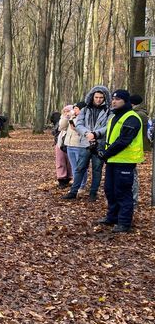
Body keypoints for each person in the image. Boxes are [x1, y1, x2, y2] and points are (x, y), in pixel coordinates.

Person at [95, 90, 144, 233]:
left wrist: (106, 153)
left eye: (117, 99)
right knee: (110, 190)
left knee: (122, 191)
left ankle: (124, 222)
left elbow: (123, 140)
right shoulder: (115, 117)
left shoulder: (132, 118)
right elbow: (110, 138)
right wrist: (100, 149)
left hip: (125, 161)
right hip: (112, 160)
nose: (114, 101)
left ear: (126, 101)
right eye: (113, 99)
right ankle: (112, 217)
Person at [62, 85, 111, 202]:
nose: (98, 99)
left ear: (104, 98)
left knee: (97, 169)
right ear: (92, 97)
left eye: (101, 97)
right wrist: (87, 133)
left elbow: (109, 126)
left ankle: (93, 193)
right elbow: (78, 124)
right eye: (96, 97)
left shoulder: (109, 111)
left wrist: (96, 134)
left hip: (99, 143)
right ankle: (73, 192)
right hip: (85, 143)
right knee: (79, 168)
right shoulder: (85, 110)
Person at [60, 101, 88, 191]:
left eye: (76, 108)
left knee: (81, 167)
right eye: (74, 108)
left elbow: (82, 130)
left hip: (79, 145)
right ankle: (76, 185)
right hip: (69, 144)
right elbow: (62, 127)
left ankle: (81, 185)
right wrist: (65, 117)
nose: (74, 110)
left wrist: (75, 127)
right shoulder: (72, 117)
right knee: (74, 167)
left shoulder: (85, 118)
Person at [54, 104, 74, 188]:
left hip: (71, 142)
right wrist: (65, 118)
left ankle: (69, 177)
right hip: (60, 142)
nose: (66, 112)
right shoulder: (62, 118)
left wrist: (71, 116)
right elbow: (61, 127)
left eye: (68, 111)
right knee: (60, 160)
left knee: (70, 162)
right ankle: (61, 179)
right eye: (64, 111)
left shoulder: (75, 117)